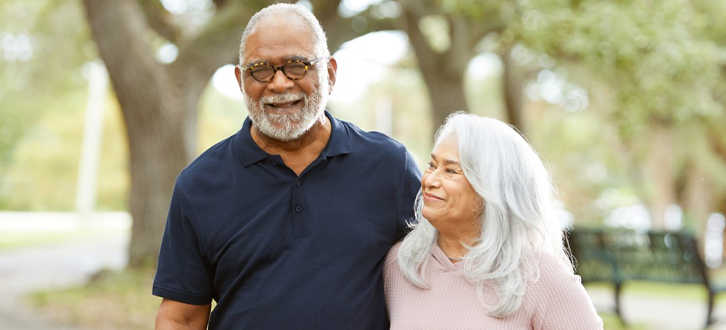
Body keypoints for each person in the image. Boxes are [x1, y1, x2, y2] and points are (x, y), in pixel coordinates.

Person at [152, 4, 420, 329]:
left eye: (296, 65)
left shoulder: (389, 167)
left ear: (330, 73)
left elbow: (439, 273)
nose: (279, 84)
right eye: (260, 69)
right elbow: (181, 318)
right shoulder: (198, 185)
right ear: (240, 80)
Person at [384, 112, 604, 329]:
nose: (430, 180)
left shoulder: (538, 274)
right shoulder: (401, 263)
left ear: (491, 189)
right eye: (432, 165)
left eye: (450, 171)